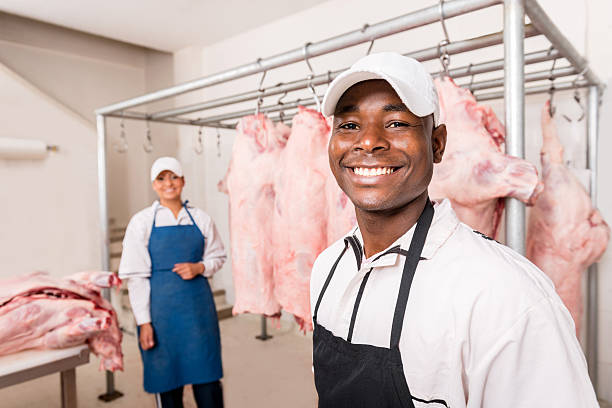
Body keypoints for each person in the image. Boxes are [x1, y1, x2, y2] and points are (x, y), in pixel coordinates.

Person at [310, 52, 598, 407]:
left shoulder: (506, 296)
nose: (368, 141)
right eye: (349, 125)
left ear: (437, 144)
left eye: (397, 123)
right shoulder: (327, 268)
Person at [119, 157, 227, 408]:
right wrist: (144, 323)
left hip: (198, 315)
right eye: (161, 178)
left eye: (174, 177)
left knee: (208, 382)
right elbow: (136, 278)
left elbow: (218, 256)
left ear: (183, 181)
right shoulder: (142, 222)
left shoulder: (201, 219)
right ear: (154, 185)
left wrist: (200, 267)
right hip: (161, 318)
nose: (168, 183)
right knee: (167, 385)